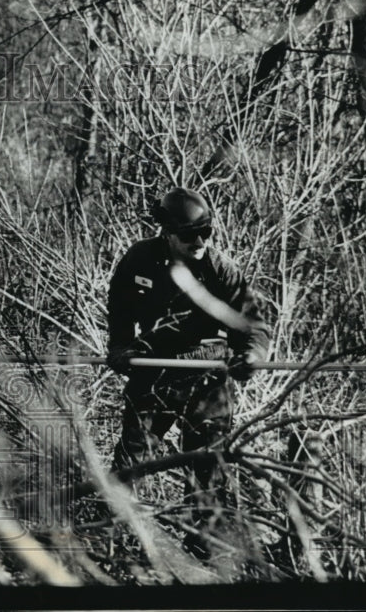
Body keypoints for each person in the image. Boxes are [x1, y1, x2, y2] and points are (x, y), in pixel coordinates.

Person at [106, 187, 270, 558]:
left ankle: (204, 549)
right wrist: (119, 346)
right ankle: (113, 540)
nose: (199, 241)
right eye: (188, 234)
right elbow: (119, 307)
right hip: (154, 368)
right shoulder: (139, 259)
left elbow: (253, 325)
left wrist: (251, 356)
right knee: (132, 457)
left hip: (207, 373)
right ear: (166, 231)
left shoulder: (221, 270)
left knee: (209, 466)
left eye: (206, 232)